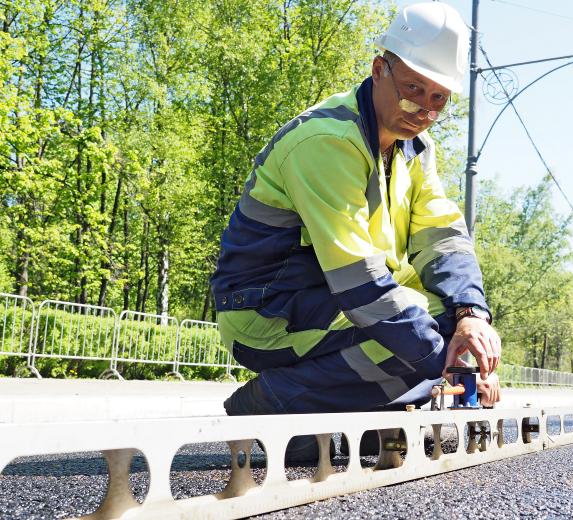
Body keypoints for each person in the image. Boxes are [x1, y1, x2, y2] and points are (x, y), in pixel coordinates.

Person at [210, 2, 501, 436]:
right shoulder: (327, 140)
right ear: (379, 69)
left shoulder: (415, 148)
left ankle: (349, 409)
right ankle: (276, 402)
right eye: (412, 89)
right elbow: (356, 279)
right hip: (265, 308)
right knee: (426, 342)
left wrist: (471, 315)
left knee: (446, 325)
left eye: (438, 98)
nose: (422, 110)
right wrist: (444, 358)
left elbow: (443, 240)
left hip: (327, 299)